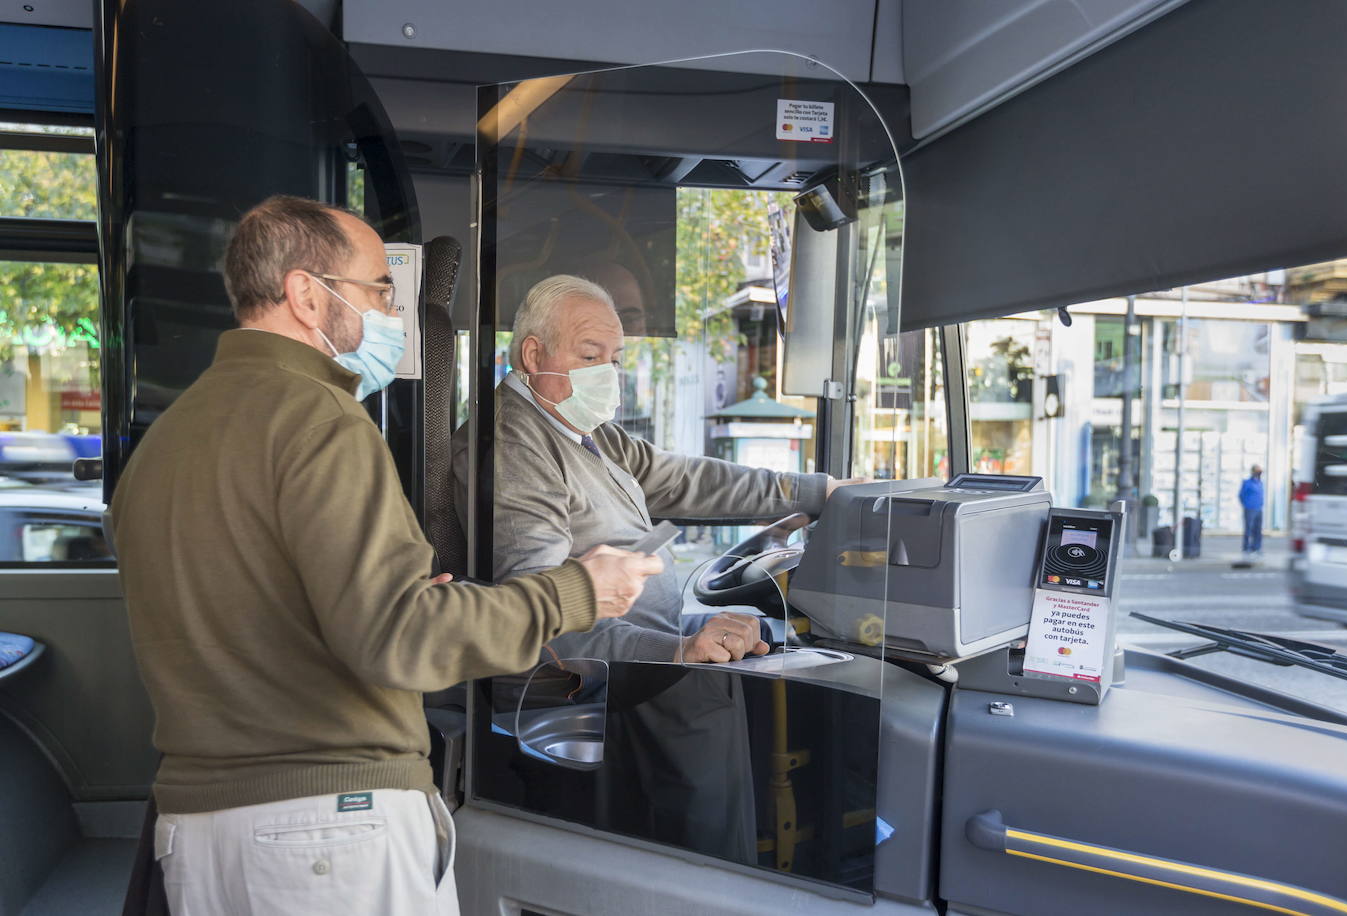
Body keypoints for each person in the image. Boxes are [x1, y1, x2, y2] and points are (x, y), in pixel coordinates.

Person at [109, 197, 661, 916]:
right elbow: (396, 636)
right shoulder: (319, 417)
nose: (392, 312)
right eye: (379, 288)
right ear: (307, 295)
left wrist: (389, 594)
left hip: (198, 833)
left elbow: (250, 610)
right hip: (323, 833)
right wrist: (576, 592)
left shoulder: (167, 438)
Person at [450, 274, 861, 862]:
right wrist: (678, 651)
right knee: (711, 723)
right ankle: (719, 889)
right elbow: (541, 615)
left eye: (614, 359)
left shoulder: (585, 434)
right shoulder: (514, 446)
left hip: (637, 660)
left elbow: (688, 478)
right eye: (590, 356)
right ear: (533, 354)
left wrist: (820, 490)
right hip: (596, 683)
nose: (606, 375)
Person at [1239, 464, 1265, 555]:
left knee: (1258, 530)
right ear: (1253, 471)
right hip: (1250, 509)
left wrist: (1261, 504)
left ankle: (1256, 548)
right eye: (1258, 470)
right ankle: (1246, 548)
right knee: (1248, 529)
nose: (1260, 472)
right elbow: (1241, 495)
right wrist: (1246, 505)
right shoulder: (1247, 483)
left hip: (1259, 509)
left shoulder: (1260, 483)